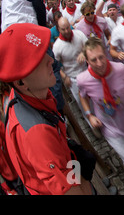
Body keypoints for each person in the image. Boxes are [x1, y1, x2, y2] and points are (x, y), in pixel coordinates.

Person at [0, 23, 93, 195]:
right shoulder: (37, 133)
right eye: (38, 61)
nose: (51, 60)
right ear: (21, 82)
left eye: (45, 53)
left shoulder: (29, 93)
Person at [77, 36, 124, 187]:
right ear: (87, 60)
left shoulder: (120, 69)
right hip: (108, 127)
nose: (99, 64)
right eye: (93, 60)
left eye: (101, 57)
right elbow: (83, 97)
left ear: (105, 54)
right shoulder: (82, 79)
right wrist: (89, 115)